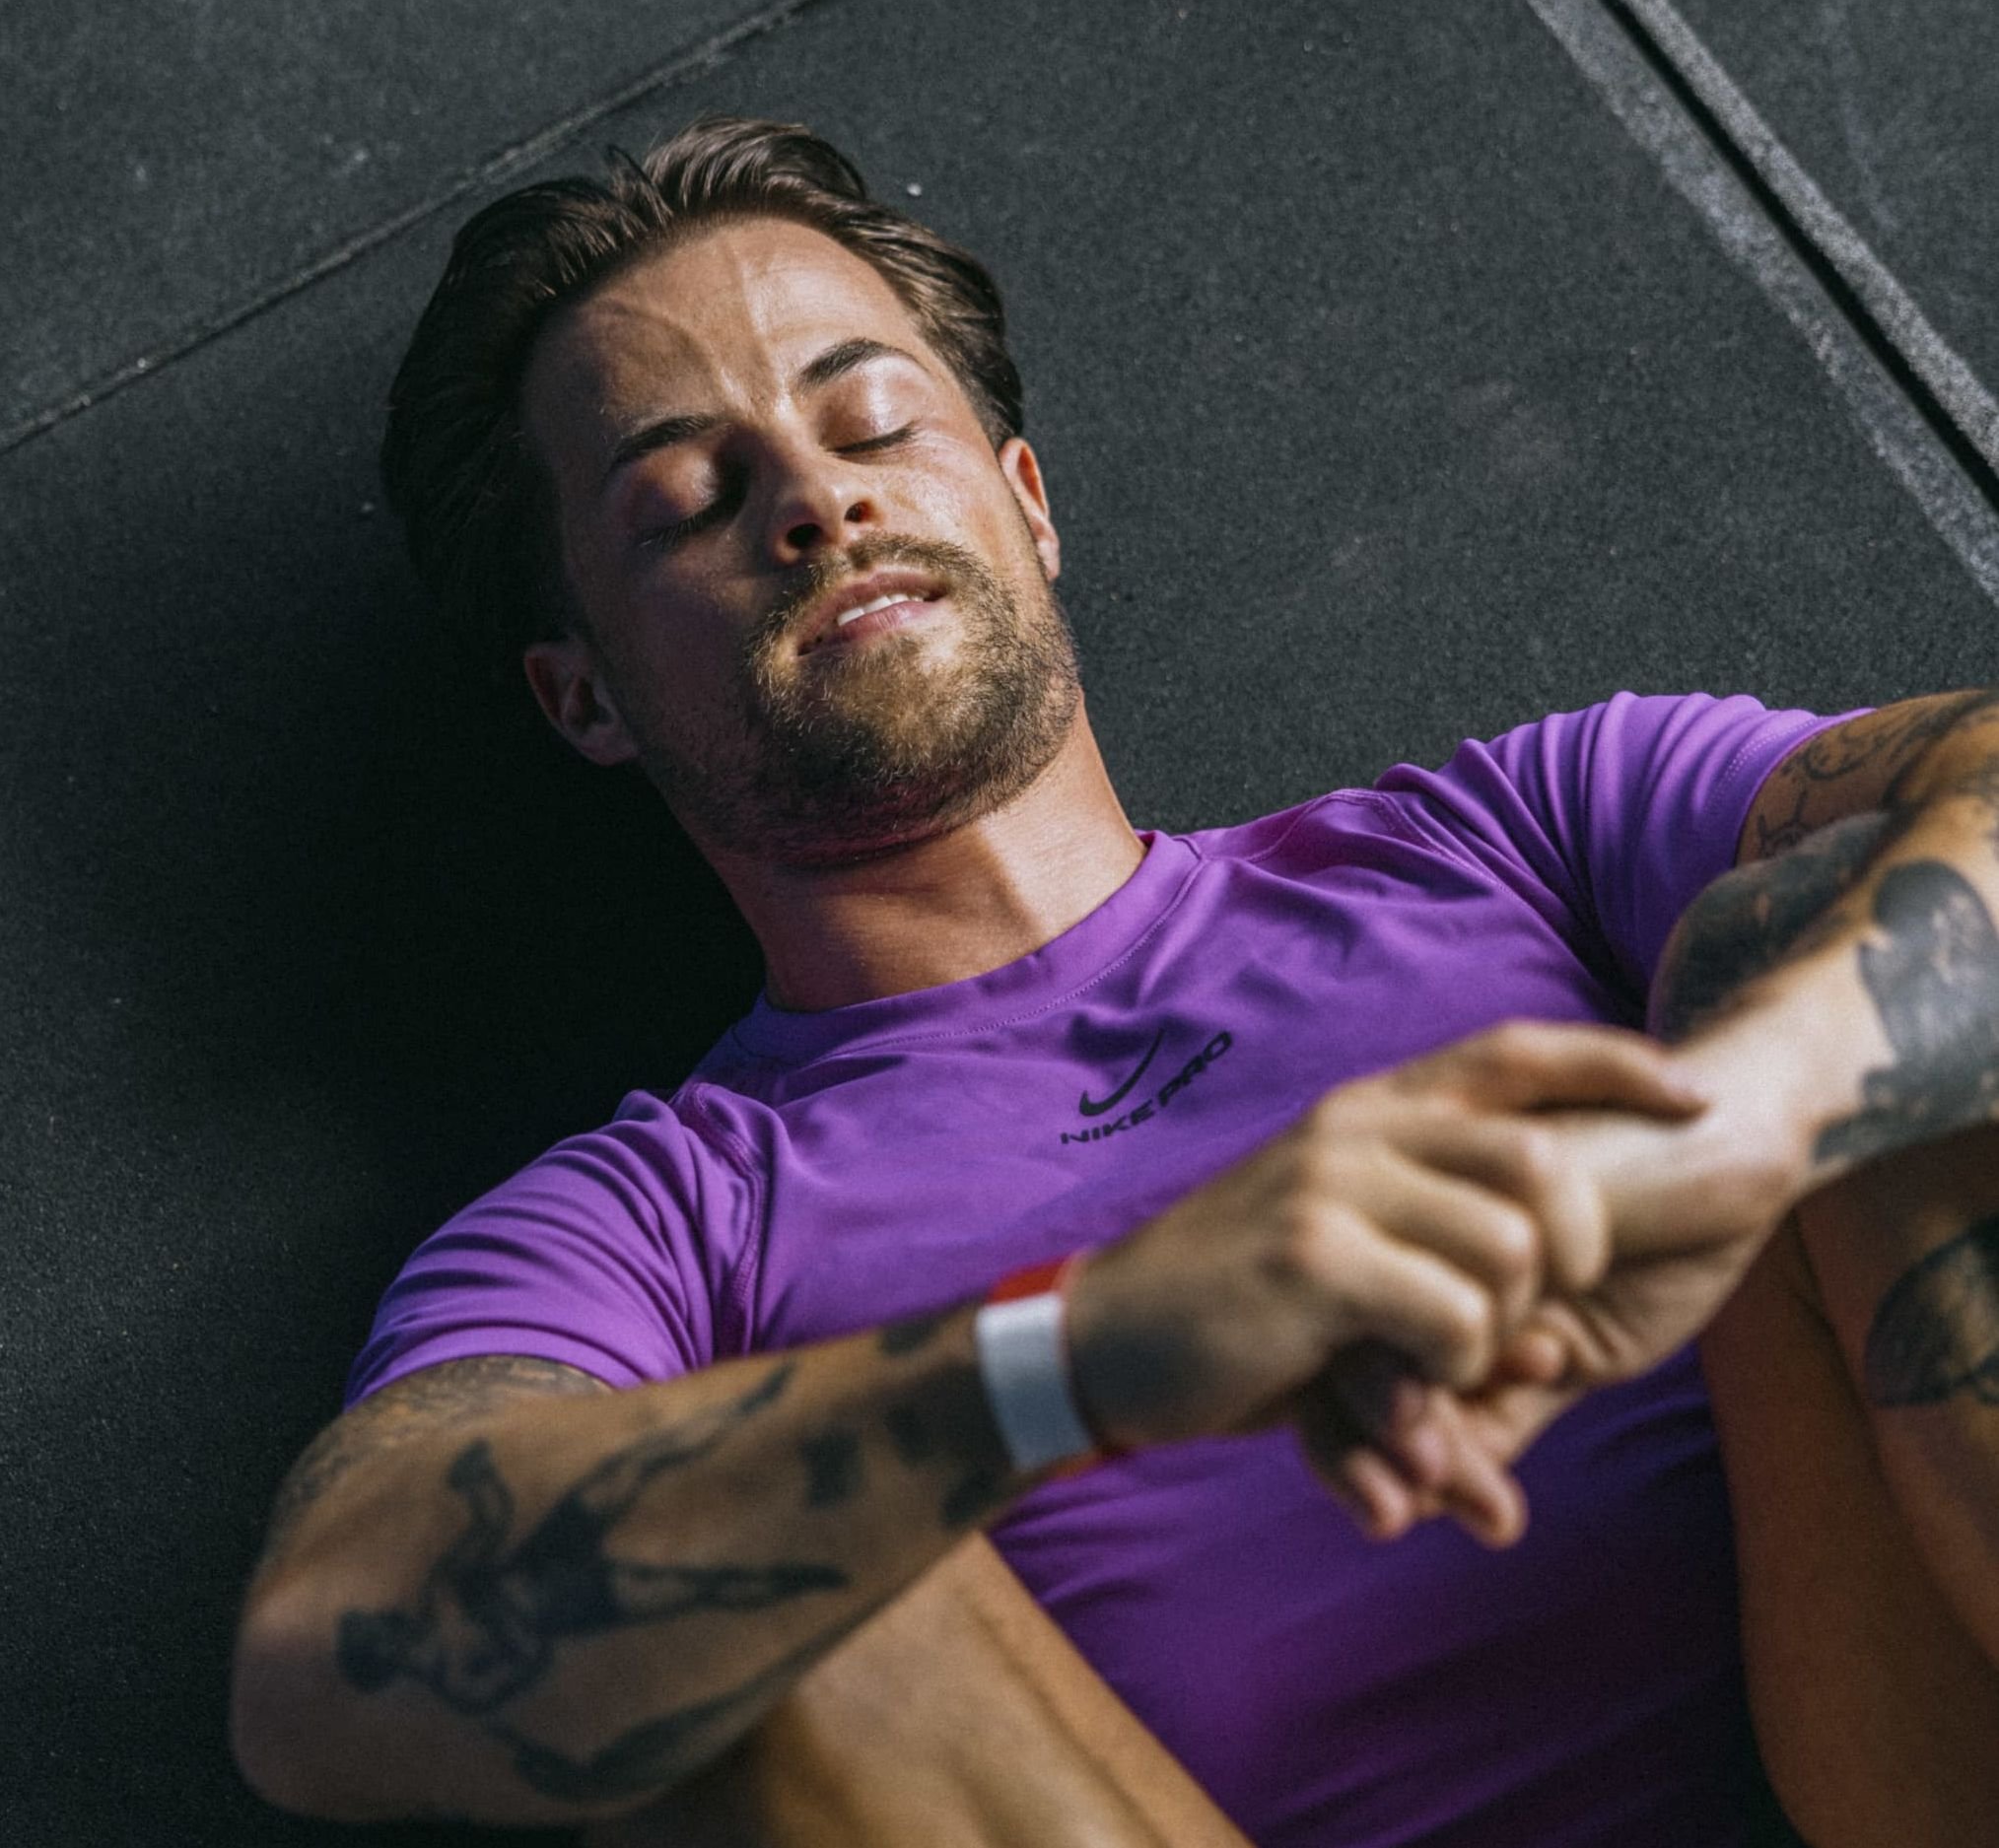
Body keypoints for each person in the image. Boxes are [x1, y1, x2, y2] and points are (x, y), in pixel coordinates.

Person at [229, 115, 1999, 1846]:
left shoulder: (1520, 829)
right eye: (691, 497)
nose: (818, 496)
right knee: (764, 1577)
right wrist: (1080, 1353)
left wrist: (1718, 1140)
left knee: (1822, 949)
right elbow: (322, 1654)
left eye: (872, 419)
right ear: (585, 696)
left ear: (1026, 503)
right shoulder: (658, 1222)